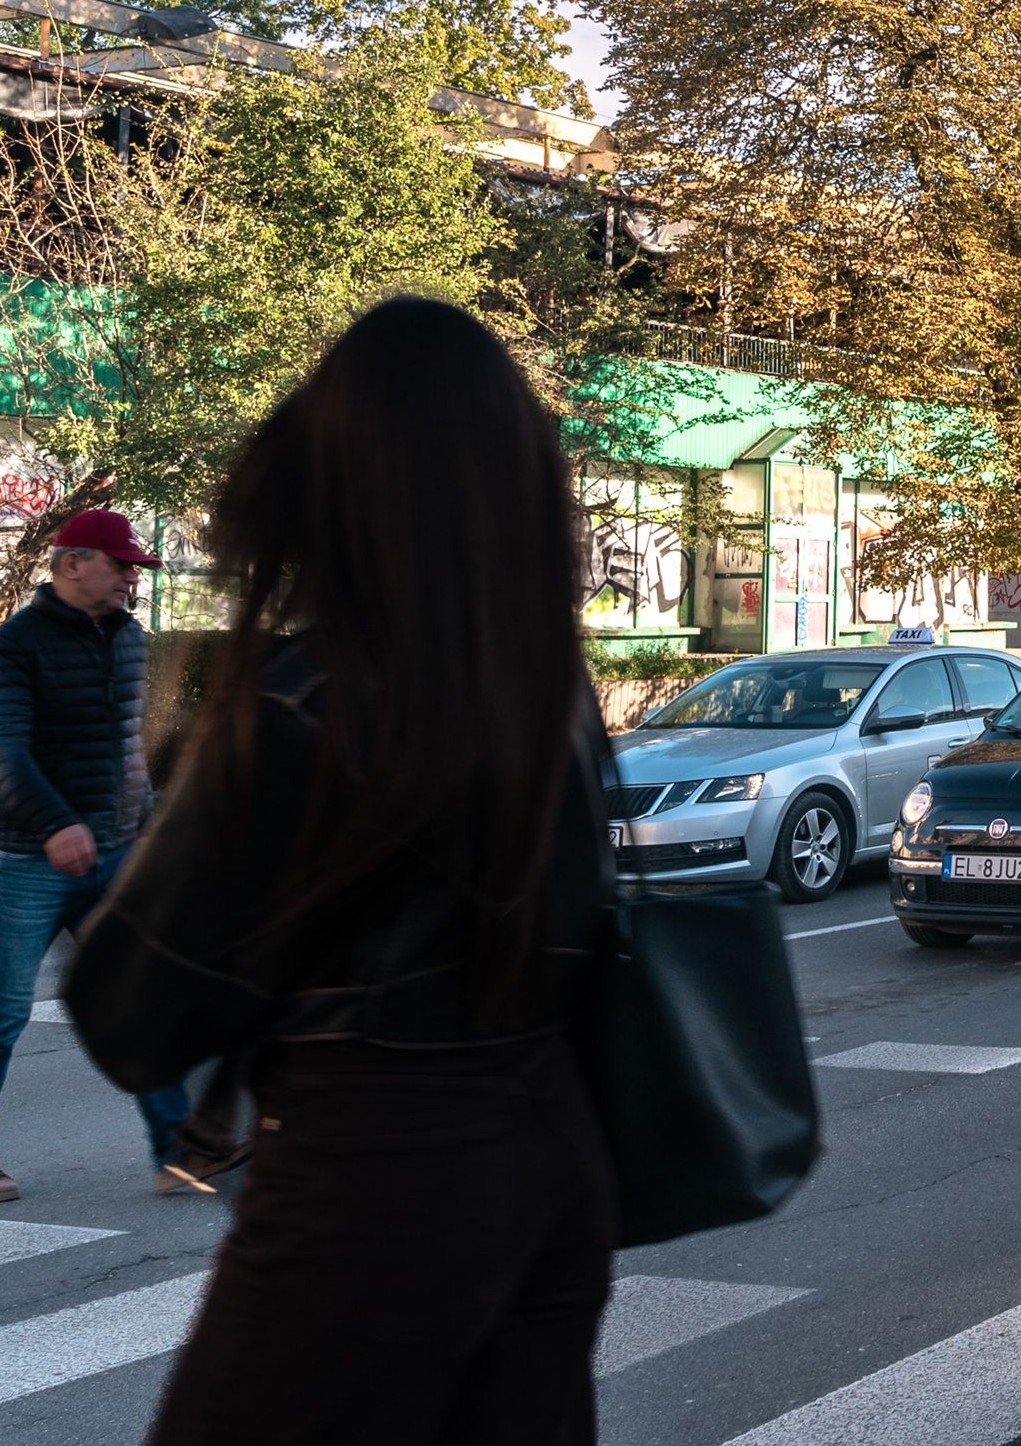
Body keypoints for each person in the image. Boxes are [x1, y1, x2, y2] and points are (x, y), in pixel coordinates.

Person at [61, 297, 615, 1444]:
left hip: (369, 1175)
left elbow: (131, 1017)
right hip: (553, 1160)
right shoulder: (552, 695)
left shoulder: (303, 703)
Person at [0, 506, 196, 1201]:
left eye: (136, 573)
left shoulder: (131, 639)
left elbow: (128, 752)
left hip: (113, 855)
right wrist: (54, 825)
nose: (129, 584)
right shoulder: (14, 646)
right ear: (72, 562)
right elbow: (3, 753)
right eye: (121, 569)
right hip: (25, 861)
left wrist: (142, 830)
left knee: (144, 999)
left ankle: (178, 1152)